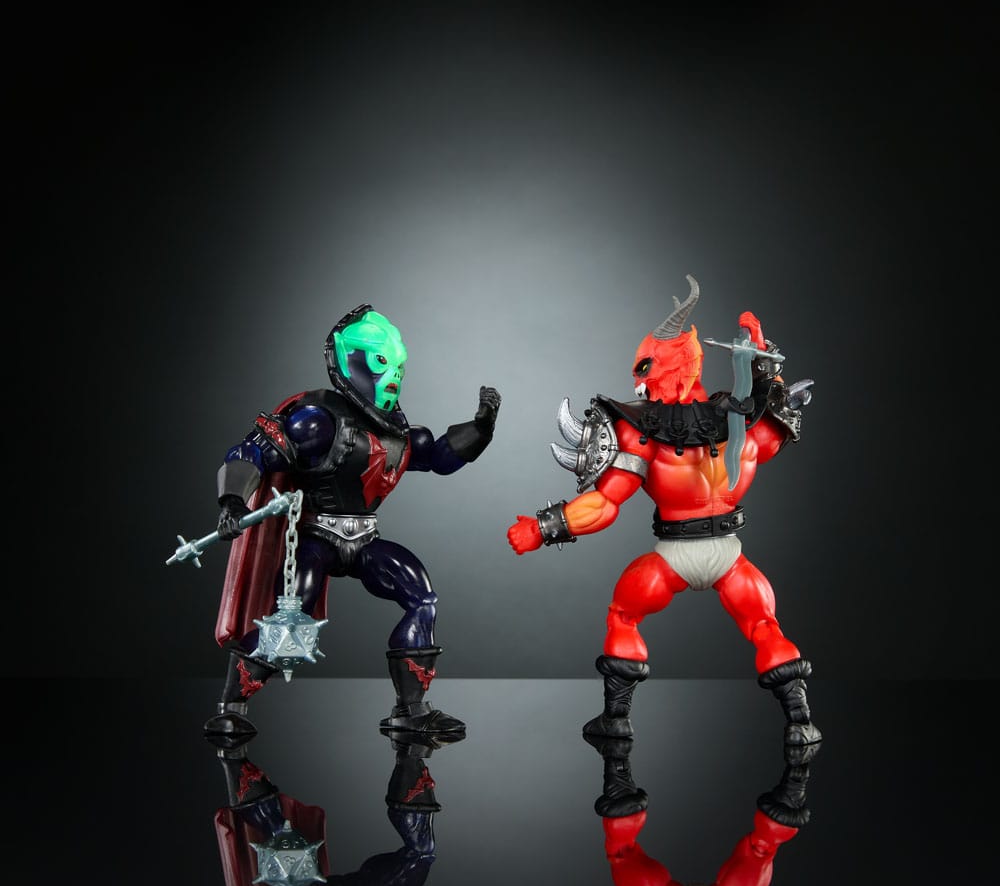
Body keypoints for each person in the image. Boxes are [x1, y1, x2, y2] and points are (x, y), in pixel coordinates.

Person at [507, 275, 820, 752]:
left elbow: (605, 504)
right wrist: (764, 365)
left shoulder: (642, 432)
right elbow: (773, 432)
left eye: (645, 367)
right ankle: (801, 723)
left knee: (623, 615)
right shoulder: (742, 422)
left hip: (673, 555)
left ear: (669, 363)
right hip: (729, 555)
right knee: (763, 626)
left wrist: (543, 527)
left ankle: (616, 720)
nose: (639, 380)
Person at [206, 303, 500, 744]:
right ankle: (231, 709)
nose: (393, 375)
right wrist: (232, 500)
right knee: (290, 622)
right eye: (382, 362)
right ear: (353, 360)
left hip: (364, 538)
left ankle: (411, 711)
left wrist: (481, 429)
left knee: (421, 597)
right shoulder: (317, 420)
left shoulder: (397, 431)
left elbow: (438, 456)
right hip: (315, 537)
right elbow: (253, 451)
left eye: (398, 366)